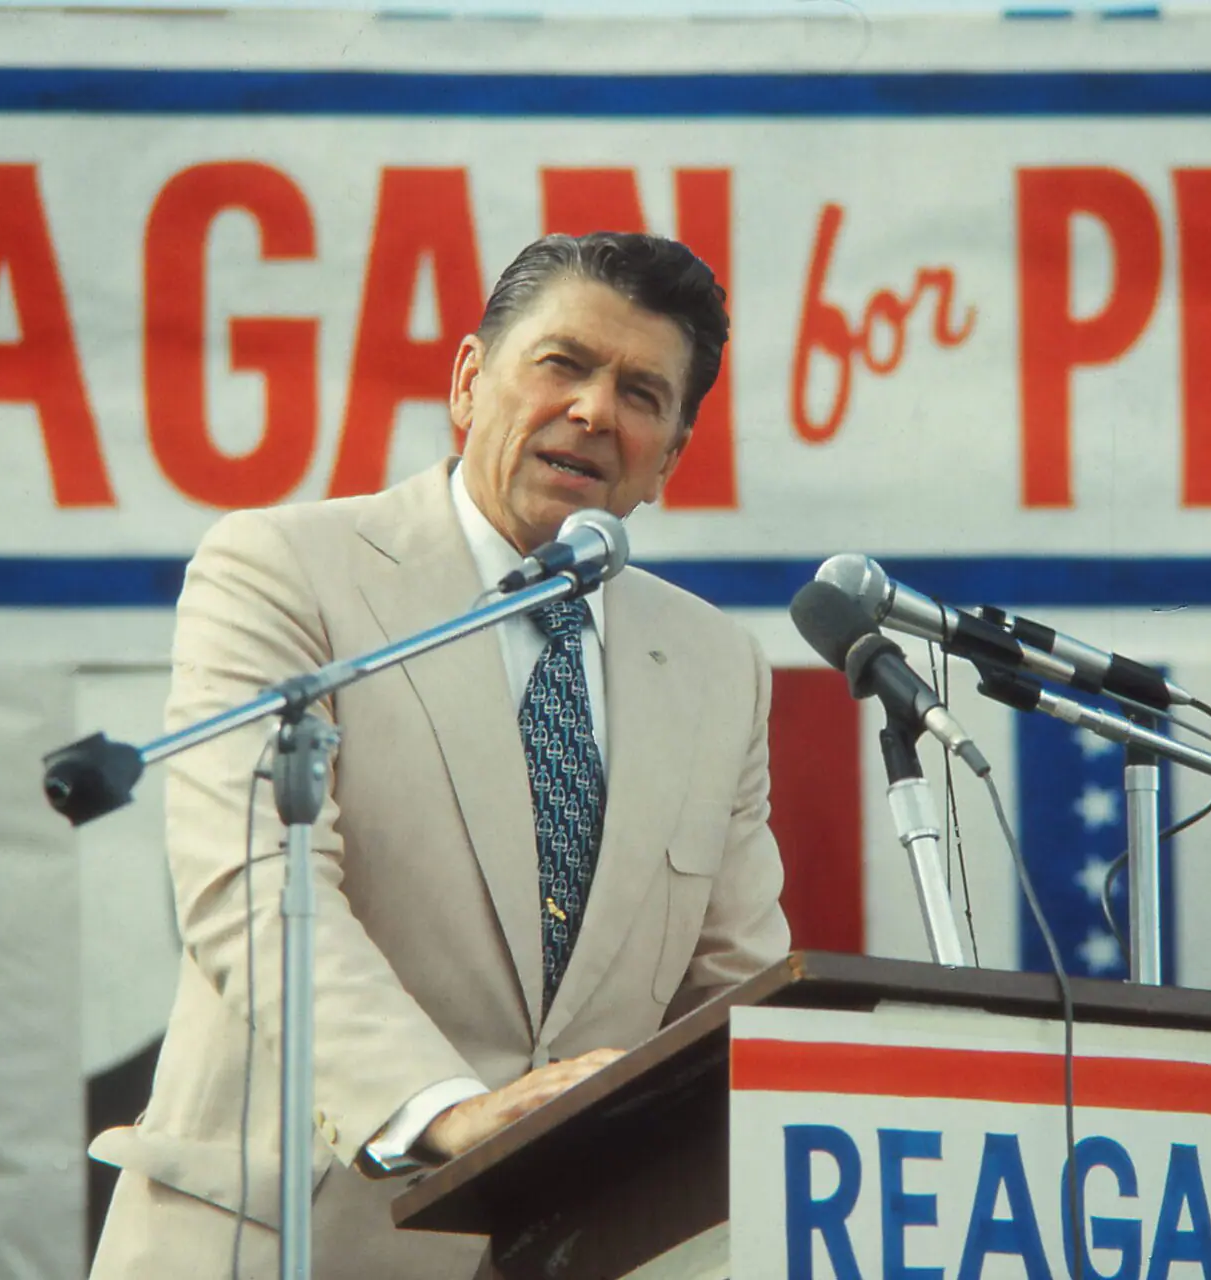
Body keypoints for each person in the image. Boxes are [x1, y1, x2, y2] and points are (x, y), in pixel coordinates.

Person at [88, 232, 792, 1278]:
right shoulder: (286, 571)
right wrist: (452, 1111)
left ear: (670, 458)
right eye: (563, 364)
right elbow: (255, 888)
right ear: (470, 381)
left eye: (643, 392)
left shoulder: (716, 664)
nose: (597, 410)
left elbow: (733, 996)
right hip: (283, 1244)